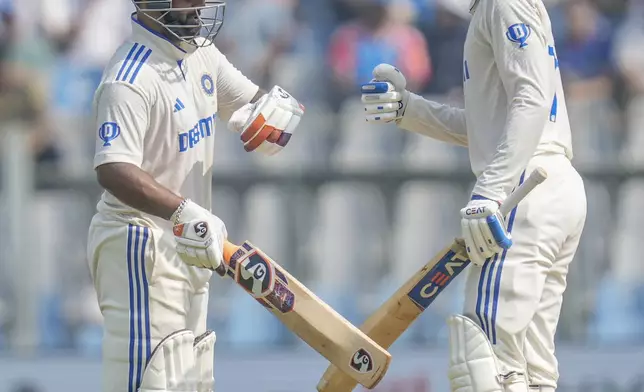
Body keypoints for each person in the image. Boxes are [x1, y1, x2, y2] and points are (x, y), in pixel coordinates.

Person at [360, 0, 586, 391]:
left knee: (485, 361)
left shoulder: (502, 3)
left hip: (525, 186)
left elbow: (530, 99)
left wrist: (491, 189)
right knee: (530, 375)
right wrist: (409, 109)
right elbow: (492, 125)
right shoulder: (494, 8)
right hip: (545, 183)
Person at [86, 1, 304, 391]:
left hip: (190, 243)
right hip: (138, 243)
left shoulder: (201, 53)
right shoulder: (128, 78)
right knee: (150, 381)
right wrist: (182, 210)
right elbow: (113, 168)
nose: (199, 6)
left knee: (190, 381)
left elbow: (254, 105)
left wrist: (270, 118)